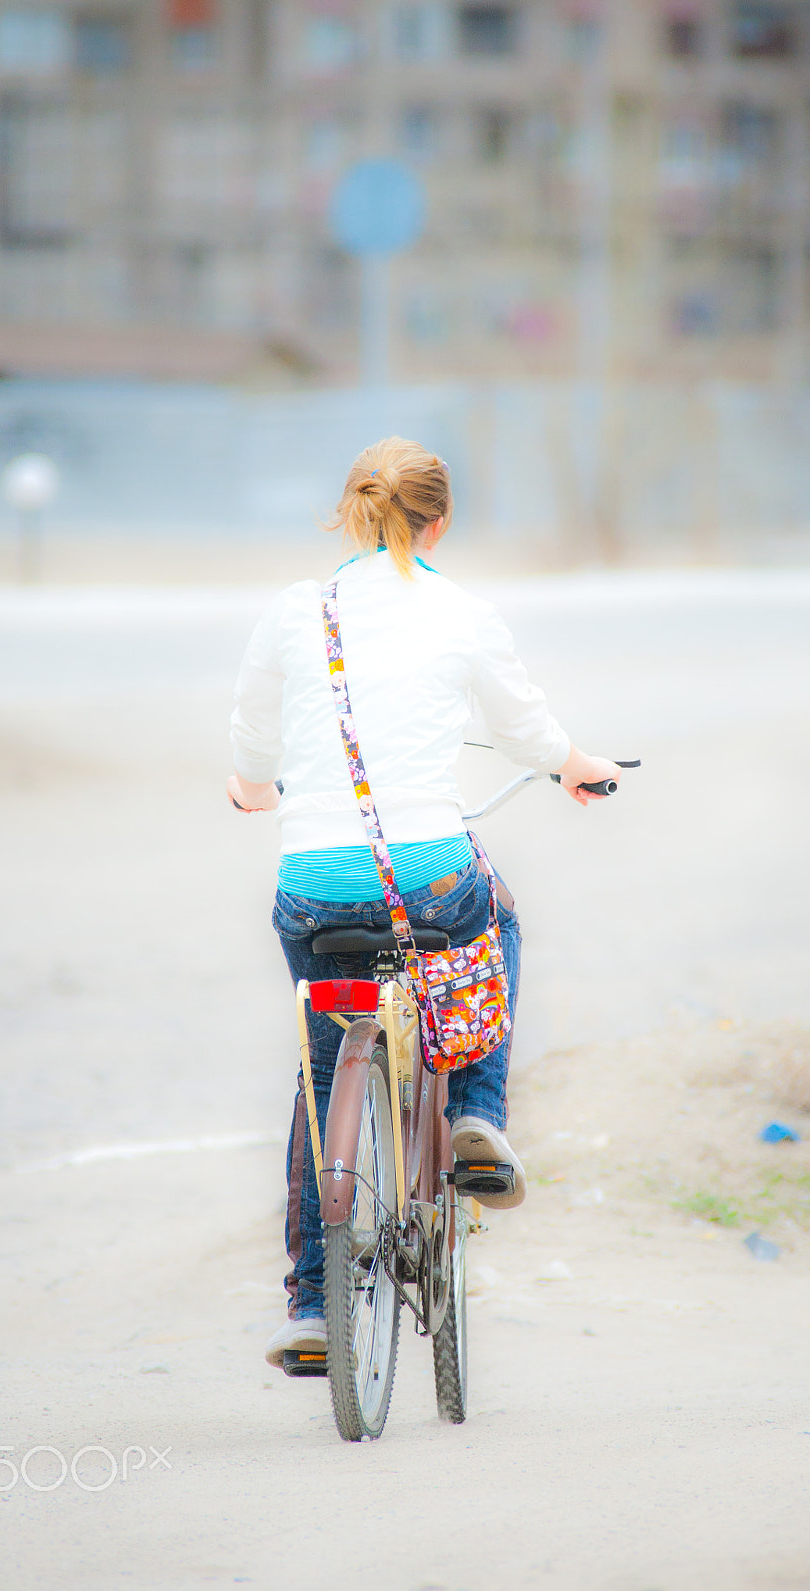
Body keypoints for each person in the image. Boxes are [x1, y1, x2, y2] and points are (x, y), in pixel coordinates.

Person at [228, 437, 620, 1367]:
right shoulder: (463, 611)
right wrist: (576, 769)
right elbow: (527, 729)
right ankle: (480, 1110)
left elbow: (252, 736)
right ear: (439, 522)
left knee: (325, 1075)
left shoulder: (297, 611)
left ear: (349, 513)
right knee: (499, 914)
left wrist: (253, 789)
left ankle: (316, 1307)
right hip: (431, 879)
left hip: (318, 885)